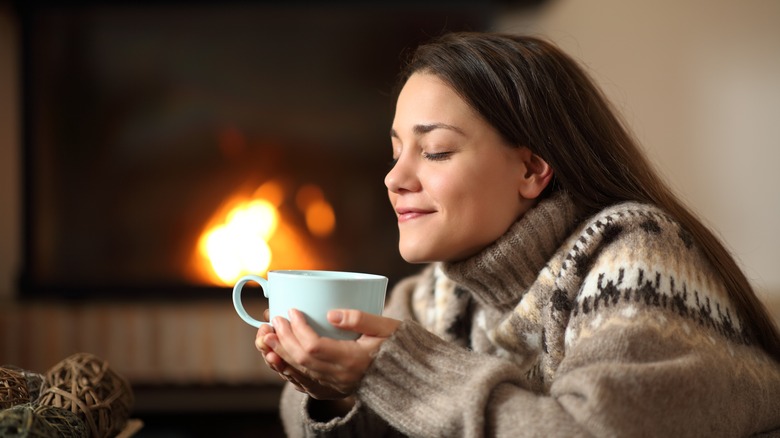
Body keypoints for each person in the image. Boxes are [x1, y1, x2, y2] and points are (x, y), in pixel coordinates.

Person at [255, 32, 780, 437]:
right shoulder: (442, 294)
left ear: (531, 169)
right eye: (396, 153)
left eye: (434, 150)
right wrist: (336, 391)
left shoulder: (636, 261)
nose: (394, 179)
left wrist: (398, 372)